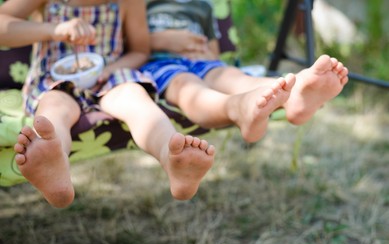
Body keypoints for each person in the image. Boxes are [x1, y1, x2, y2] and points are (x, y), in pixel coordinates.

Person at [0, 0, 215, 208]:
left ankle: (173, 158)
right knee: (55, 108)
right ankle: (53, 165)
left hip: (109, 74)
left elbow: (140, 51)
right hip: (54, 79)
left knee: (135, 97)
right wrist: (54, 29)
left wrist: (112, 69)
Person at [140, 0, 349, 143]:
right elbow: (127, 44)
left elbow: (214, 52)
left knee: (232, 77)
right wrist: (163, 40)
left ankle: (294, 95)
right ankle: (238, 109)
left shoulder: (203, 5)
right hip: (160, 64)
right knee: (187, 87)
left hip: (203, 63)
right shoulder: (142, 3)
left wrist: (205, 54)